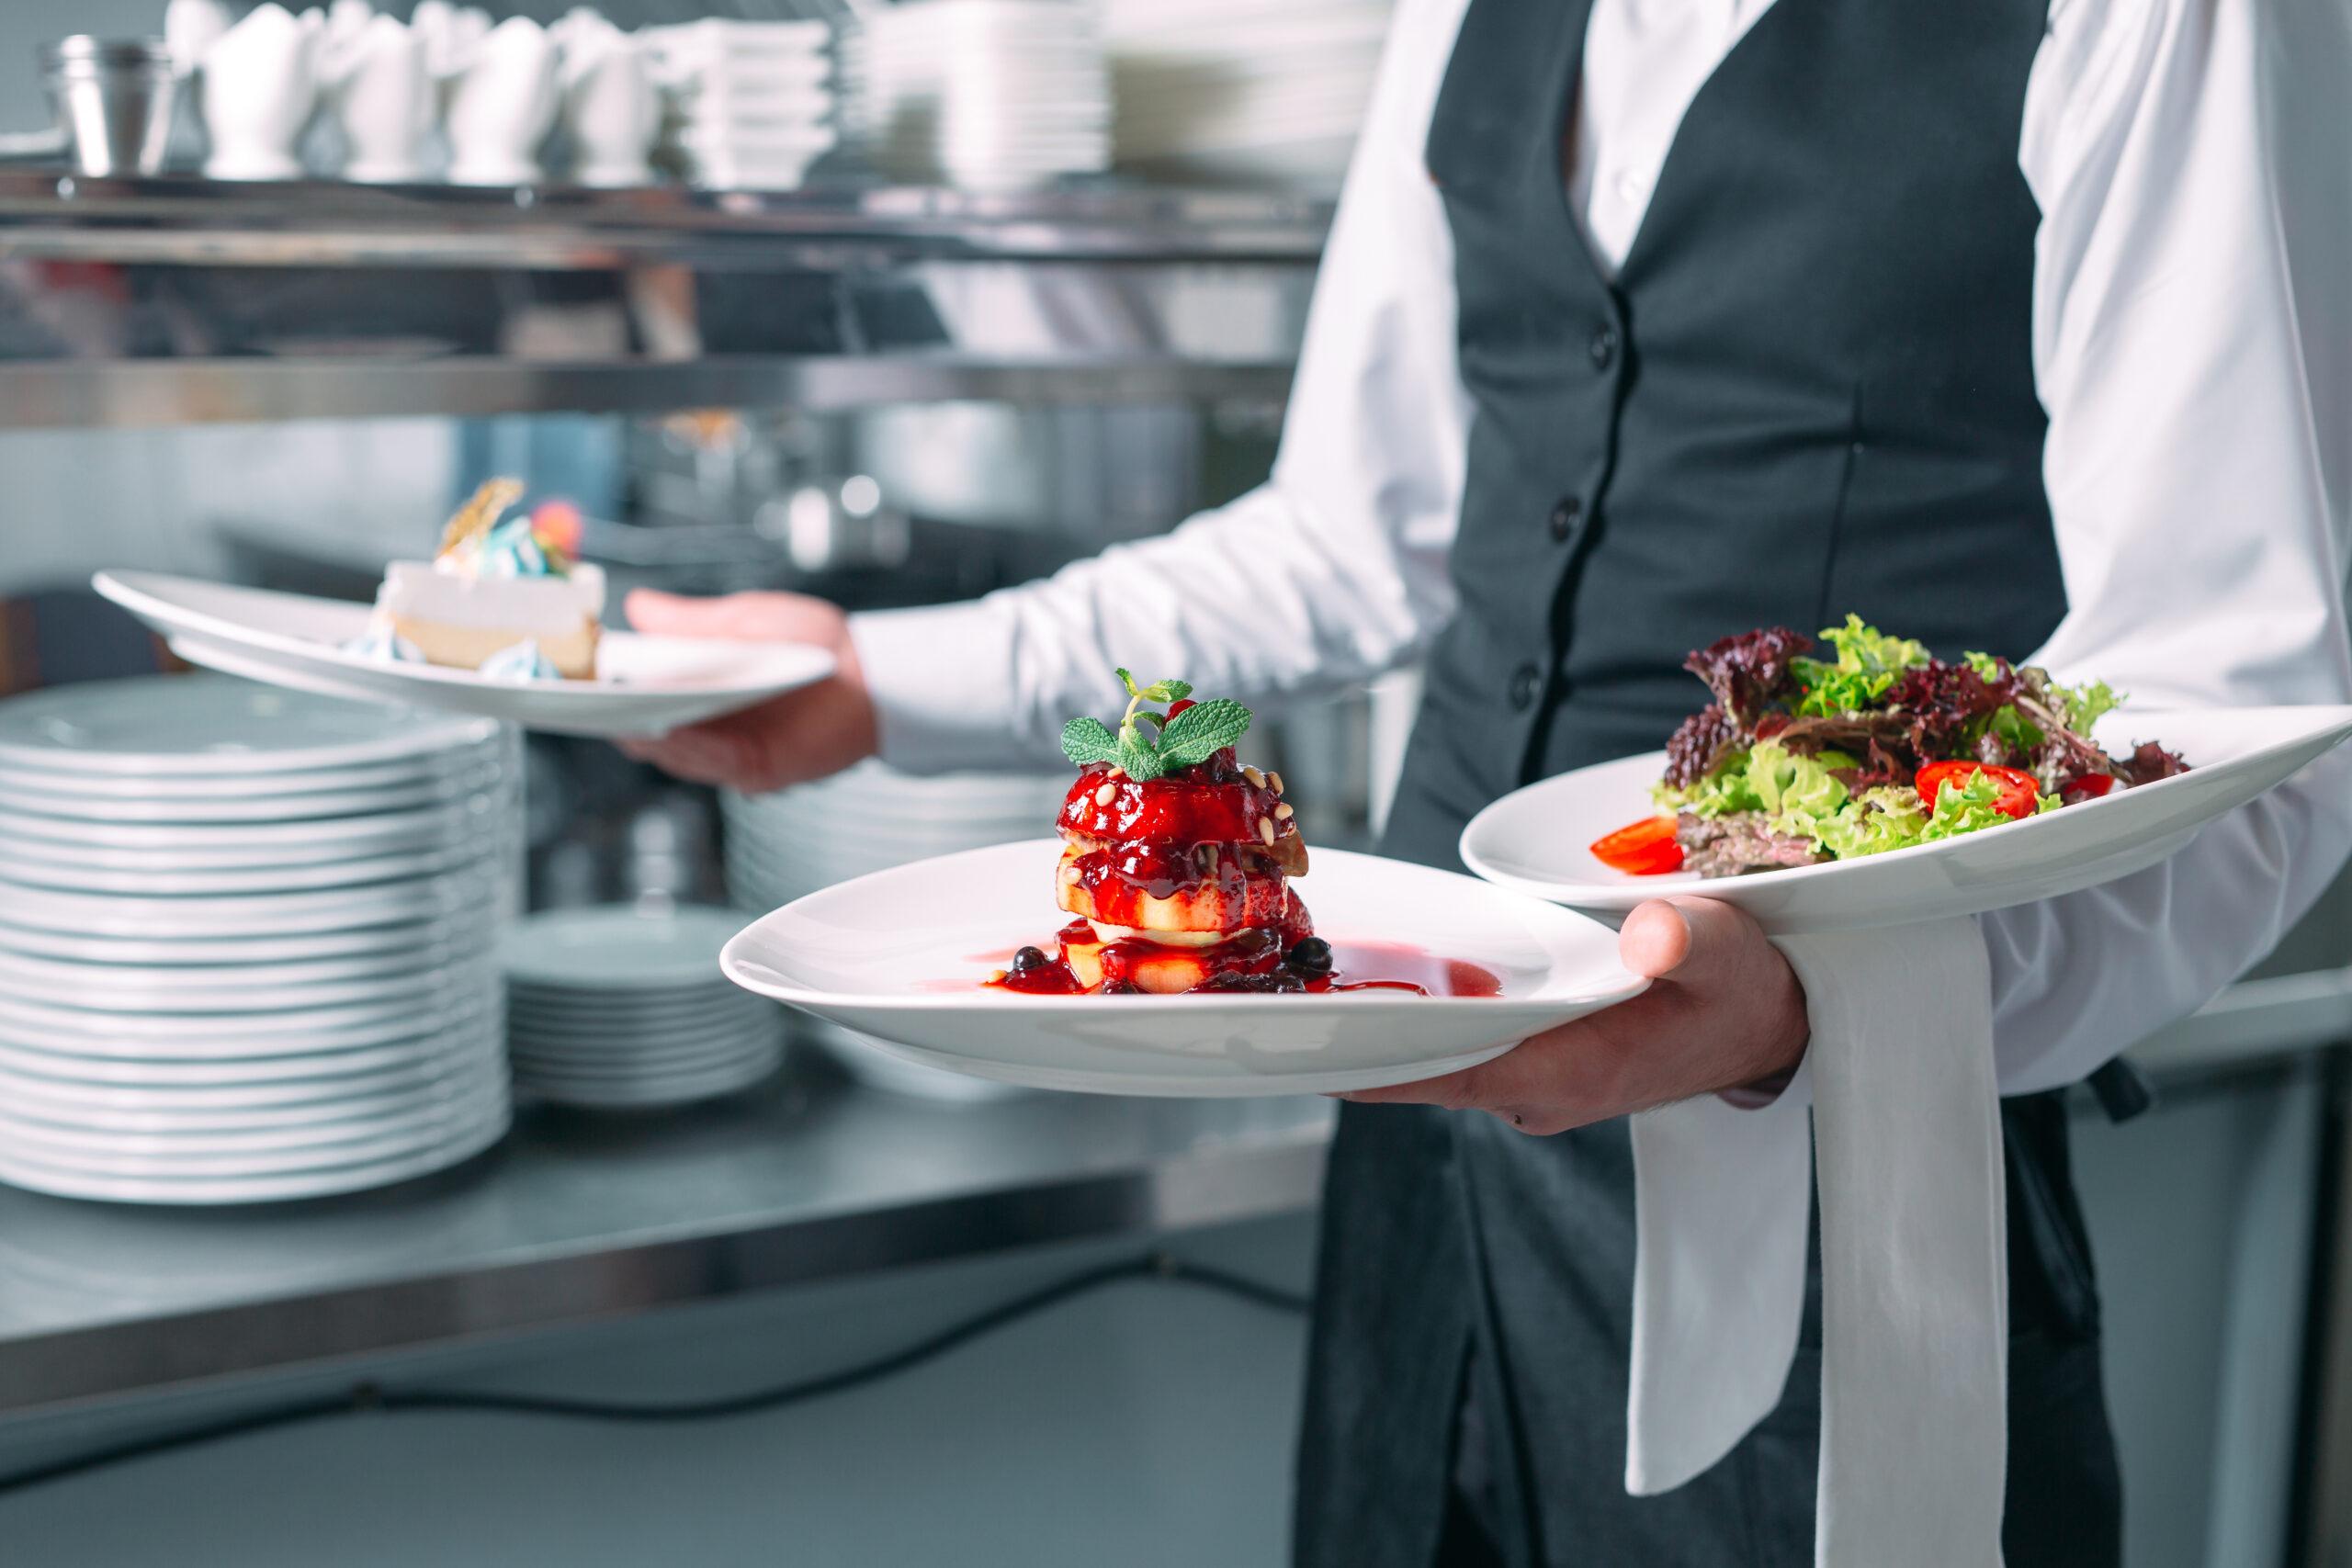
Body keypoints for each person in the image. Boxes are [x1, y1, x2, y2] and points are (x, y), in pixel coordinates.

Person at [621, 0, 2352, 1562]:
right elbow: (1354, 539)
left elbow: (2246, 712)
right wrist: (872, 681)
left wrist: (1816, 1007)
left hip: (1832, 1191)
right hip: (1423, 1178)